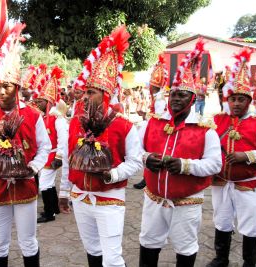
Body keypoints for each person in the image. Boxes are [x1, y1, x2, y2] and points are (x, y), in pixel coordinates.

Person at [0, 23, 51, 267]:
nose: (1, 91)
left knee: (28, 242)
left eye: (7, 86)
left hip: (25, 188)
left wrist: (33, 168)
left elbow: (45, 148)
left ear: (17, 87)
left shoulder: (33, 115)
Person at [60, 25, 143, 267]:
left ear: (106, 95)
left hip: (109, 198)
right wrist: (65, 192)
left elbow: (135, 162)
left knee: (112, 258)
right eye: (85, 92)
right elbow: (67, 158)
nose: (85, 97)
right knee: (92, 250)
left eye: (92, 92)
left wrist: (113, 174)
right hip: (80, 196)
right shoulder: (75, 122)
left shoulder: (123, 125)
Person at [139, 39, 222, 267]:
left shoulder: (206, 131)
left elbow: (215, 165)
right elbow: (136, 151)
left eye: (182, 95)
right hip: (154, 198)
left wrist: (186, 166)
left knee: (185, 247)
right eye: (173, 94)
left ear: (193, 99)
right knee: (148, 242)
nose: (176, 99)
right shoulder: (152, 123)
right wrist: (147, 159)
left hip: (187, 202)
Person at [208, 47, 256, 267]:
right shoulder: (217, 120)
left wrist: (244, 155)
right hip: (221, 182)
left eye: (241, 99)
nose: (236, 103)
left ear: (249, 100)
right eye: (233, 99)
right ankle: (221, 259)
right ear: (227, 100)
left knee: (250, 225)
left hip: (248, 183)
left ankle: (249, 263)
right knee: (221, 221)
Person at [31, 66, 68, 223]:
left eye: (40, 101)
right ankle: (53, 208)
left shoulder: (56, 117)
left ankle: (49, 213)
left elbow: (63, 139)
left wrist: (59, 156)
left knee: (45, 183)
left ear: (47, 101)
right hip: (47, 154)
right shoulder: (45, 117)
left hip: (53, 154)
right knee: (48, 182)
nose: (37, 103)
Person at [134, 54, 167, 190]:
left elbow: (158, 117)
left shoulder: (159, 99)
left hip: (156, 129)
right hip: (152, 127)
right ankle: (146, 177)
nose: (149, 88)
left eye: (151, 86)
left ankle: (147, 178)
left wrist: (144, 114)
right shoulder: (155, 97)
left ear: (154, 87)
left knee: (150, 152)